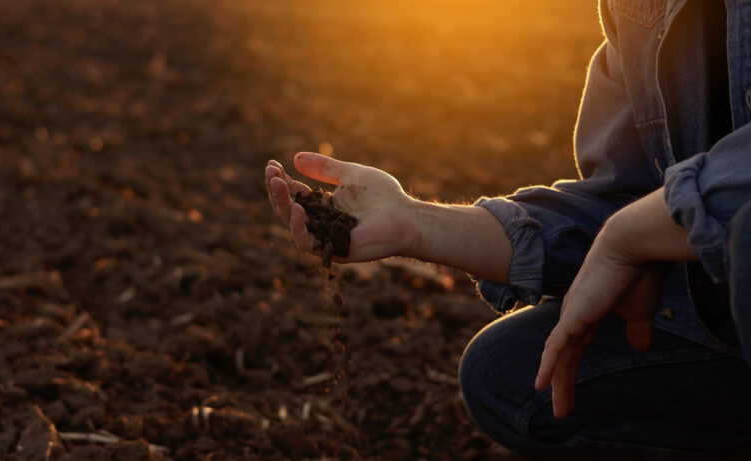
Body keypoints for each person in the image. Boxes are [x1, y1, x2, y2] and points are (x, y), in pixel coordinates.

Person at [265, 0, 751, 458]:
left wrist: (631, 234)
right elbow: (619, 208)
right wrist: (415, 222)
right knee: (507, 372)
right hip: (723, 321)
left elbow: (633, 229)